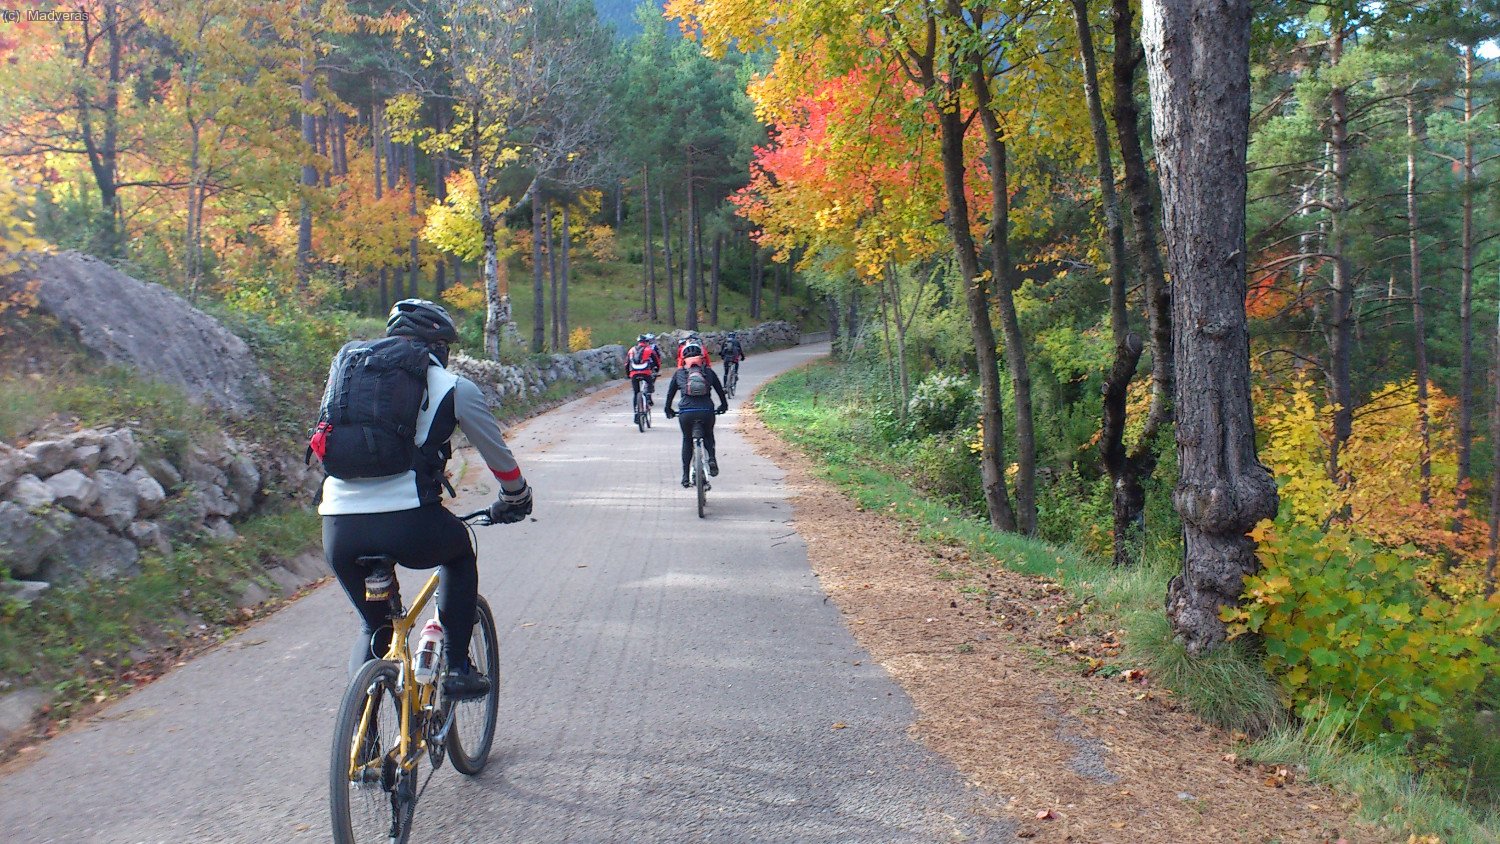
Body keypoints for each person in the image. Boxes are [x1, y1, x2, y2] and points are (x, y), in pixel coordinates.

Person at [319, 299, 533, 701]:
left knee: (375, 628)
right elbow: (498, 456)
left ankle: (364, 750)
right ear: (439, 347)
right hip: (409, 523)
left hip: (338, 524)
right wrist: (516, 496)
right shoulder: (454, 387)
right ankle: (457, 667)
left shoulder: (349, 376)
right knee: (457, 552)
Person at [663, 341, 729, 488]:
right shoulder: (708, 372)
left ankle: (685, 476)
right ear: (702, 357)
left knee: (687, 439)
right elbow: (720, 391)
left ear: (683, 358)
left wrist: (668, 409)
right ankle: (711, 458)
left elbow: (670, 395)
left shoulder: (679, 373)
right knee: (708, 435)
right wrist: (723, 406)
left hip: (686, 413)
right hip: (706, 411)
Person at [626, 334, 661, 409]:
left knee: (636, 393)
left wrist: (628, 374)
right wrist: (657, 369)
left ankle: (636, 414)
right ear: (646, 342)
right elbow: (657, 361)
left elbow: (626, 364)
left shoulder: (631, 350)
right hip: (646, 373)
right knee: (649, 386)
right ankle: (648, 396)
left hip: (634, 374)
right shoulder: (649, 349)